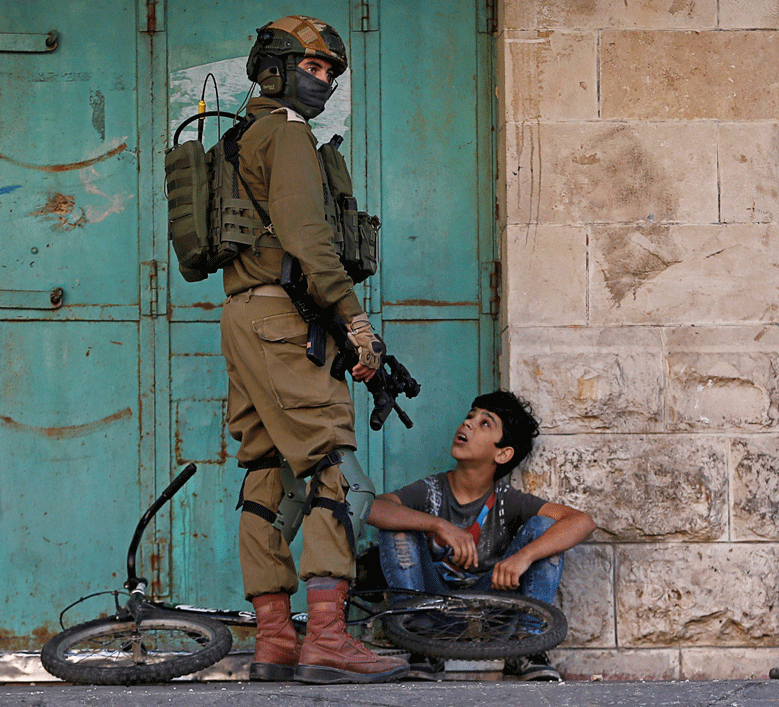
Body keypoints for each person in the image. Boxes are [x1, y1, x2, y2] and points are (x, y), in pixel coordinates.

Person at [220, 16, 409, 685]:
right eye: (313, 66)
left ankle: (275, 637)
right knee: (335, 469)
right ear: (275, 67)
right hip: (285, 318)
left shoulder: (242, 136)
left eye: (330, 71)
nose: (322, 80)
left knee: (266, 472)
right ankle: (327, 636)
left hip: (246, 317)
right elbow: (307, 235)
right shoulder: (289, 135)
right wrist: (355, 324)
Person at [367, 390, 597, 681]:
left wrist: (523, 558)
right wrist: (438, 525)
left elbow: (582, 522)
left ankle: (526, 645)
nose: (468, 425)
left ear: (503, 453)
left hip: (491, 612)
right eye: (469, 417)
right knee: (396, 525)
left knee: (544, 530)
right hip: (433, 610)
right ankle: (420, 646)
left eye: (485, 423)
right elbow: (372, 507)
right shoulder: (431, 491)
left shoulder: (508, 501)